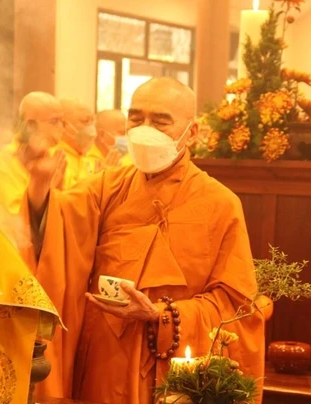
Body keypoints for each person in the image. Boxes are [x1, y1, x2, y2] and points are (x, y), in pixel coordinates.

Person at [20, 77, 264, 403]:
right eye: (136, 119)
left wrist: (161, 314)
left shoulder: (220, 203)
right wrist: (39, 188)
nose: (144, 130)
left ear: (191, 132)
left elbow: (236, 306)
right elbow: (58, 234)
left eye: (160, 121)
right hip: (104, 359)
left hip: (172, 363)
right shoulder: (106, 187)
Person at [0, 92, 65, 247]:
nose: (62, 128)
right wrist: (45, 189)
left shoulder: (55, 157)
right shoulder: (4, 164)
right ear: (30, 125)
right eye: (54, 121)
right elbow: (21, 221)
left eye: (63, 122)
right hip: (12, 250)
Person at [51, 99, 99, 189]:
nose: (92, 127)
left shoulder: (88, 159)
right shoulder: (55, 158)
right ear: (65, 126)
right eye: (86, 121)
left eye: (93, 121)